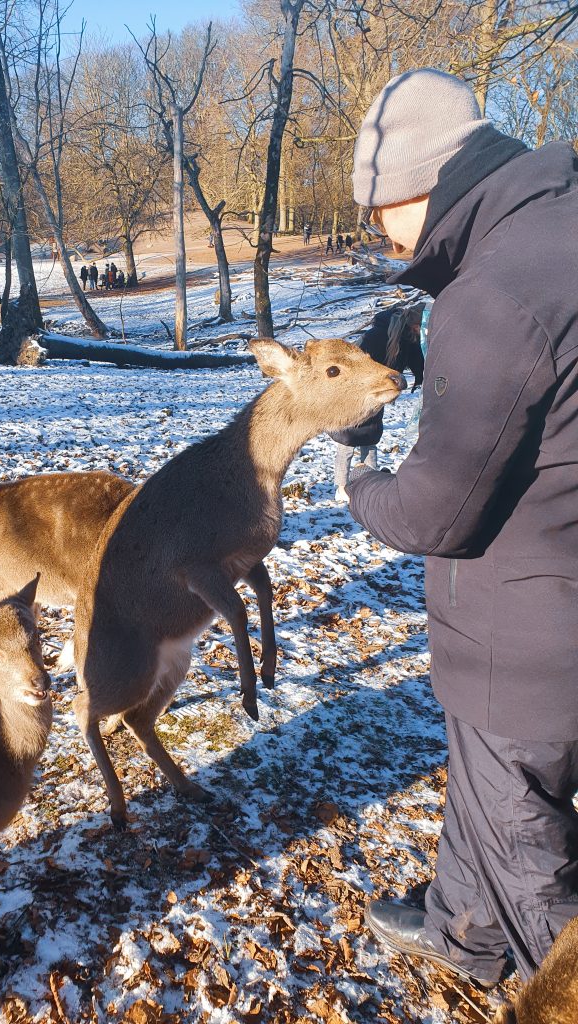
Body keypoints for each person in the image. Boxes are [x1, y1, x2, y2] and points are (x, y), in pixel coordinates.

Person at [347, 67, 578, 990]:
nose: (382, 233)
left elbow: (431, 512)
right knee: (482, 793)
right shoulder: (555, 228)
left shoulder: (493, 293)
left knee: (529, 852)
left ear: (418, 180)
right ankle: (462, 930)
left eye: (378, 211)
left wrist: (355, 463)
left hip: (525, 647)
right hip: (554, 597)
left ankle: (542, 983)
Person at [331, 304, 424, 502]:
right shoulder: (377, 335)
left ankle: (369, 483)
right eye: (421, 327)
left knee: (370, 438)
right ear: (414, 325)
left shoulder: (408, 339)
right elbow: (353, 363)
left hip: (378, 395)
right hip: (355, 395)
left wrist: (423, 377)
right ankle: (341, 487)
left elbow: (418, 361)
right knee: (347, 441)